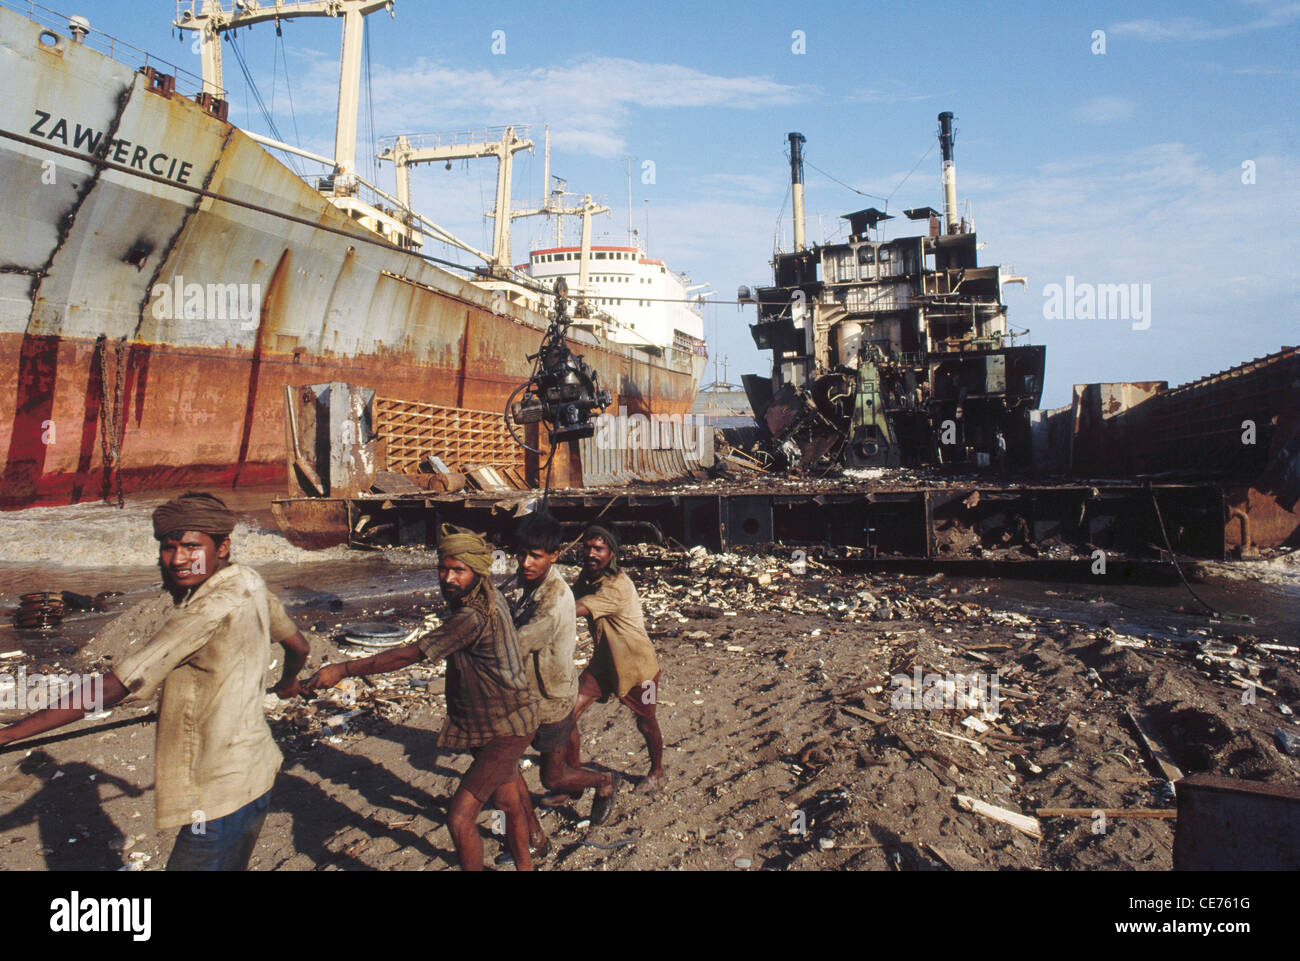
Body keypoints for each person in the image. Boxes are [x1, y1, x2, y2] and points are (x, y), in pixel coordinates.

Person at [0, 491, 310, 870]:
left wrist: (9, 734)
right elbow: (299, 645)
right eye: (169, 547)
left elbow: (116, 685)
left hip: (212, 795)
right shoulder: (249, 581)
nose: (178, 559)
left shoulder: (204, 612)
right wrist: (288, 682)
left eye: (192, 547)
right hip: (257, 773)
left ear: (222, 546)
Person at [301, 523, 540, 871]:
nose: (448, 578)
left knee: (460, 819)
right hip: (506, 718)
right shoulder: (491, 596)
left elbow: (408, 655)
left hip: (504, 727)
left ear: (477, 571)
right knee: (509, 802)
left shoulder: (471, 616)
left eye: (458, 571)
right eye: (443, 568)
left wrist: (343, 670)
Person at [502, 512, 616, 864]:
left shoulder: (555, 599)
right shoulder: (525, 583)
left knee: (553, 779)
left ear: (553, 556)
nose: (525, 562)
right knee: (505, 770)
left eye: (535, 556)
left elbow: (517, 643)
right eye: (521, 554)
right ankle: (533, 836)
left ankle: (603, 781)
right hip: (522, 697)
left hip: (551, 699)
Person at [567, 524, 665, 794]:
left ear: (611, 554)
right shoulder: (588, 577)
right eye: (586, 547)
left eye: (598, 549)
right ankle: (572, 776)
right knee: (565, 715)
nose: (591, 553)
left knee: (646, 722)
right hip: (604, 663)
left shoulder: (616, 586)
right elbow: (568, 595)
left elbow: (576, 608)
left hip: (638, 669)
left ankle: (657, 772)